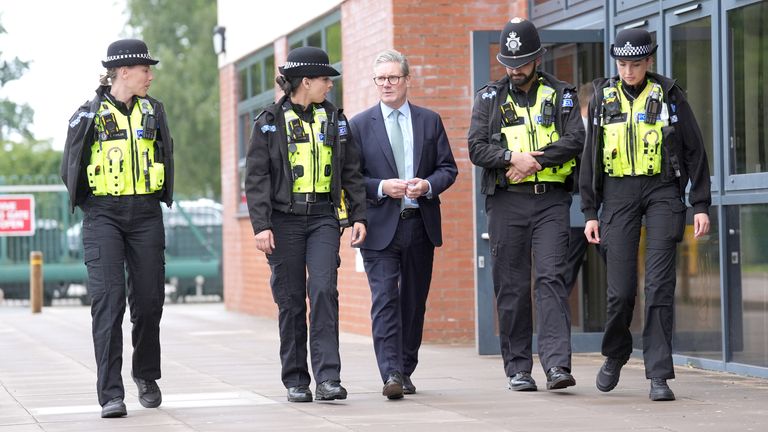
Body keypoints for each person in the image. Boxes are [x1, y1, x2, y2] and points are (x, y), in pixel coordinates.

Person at [579, 28, 711, 401]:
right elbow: (590, 158)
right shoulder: (603, 96)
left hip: (662, 191)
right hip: (618, 194)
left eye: (635, 64)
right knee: (620, 292)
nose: (628, 71)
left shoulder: (669, 94)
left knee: (658, 287)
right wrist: (590, 211)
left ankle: (658, 374)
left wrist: (700, 203)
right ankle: (615, 354)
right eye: (622, 64)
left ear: (649, 61)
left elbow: (694, 150)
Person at [245, 46, 367, 403]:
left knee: (325, 290)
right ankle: (297, 379)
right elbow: (256, 177)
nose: (330, 85)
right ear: (306, 81)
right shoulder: (269, 120)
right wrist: (260, 225)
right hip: (283, 222)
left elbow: (351, 172)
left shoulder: (336, 119)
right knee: (291, 300)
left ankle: (329, 377)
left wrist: (359, 215)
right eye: (325, 79)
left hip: (324, 219)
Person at [468, 18, 584, 392]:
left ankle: (556, 367)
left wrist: (534, 161)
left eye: (521, 62)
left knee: (551, 279)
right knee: (512, 285)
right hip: (507, 202)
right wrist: (509, 157)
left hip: (551, 201)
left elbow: (575, 139)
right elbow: (476, 147)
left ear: (538, 58)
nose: (514, 69)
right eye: (508, 63)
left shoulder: (562, 93)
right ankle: (518, 368)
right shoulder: (489, 97)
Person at [60, 39, 174, 418]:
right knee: (108, 303)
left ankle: (145, 374)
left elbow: (164, 154)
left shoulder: (154, 111)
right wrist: (92, 206)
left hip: (145, 214)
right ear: (123, 71)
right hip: (103, 215)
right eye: (146, 69)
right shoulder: (87, 114)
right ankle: (111, 393)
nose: (151, 76)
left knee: (149, 299)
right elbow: (70, 167)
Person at [349, 49, 458, 399]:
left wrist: (427, 185)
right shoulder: (360, 125)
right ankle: (391, 372)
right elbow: (350, 178)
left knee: (413, 301)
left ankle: (406, 368)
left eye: (393, 77)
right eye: (380, 78)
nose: (387, 84)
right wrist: (382, 187)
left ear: (407, 80)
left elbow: (448, 169)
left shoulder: (429, 121)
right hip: (379, 226)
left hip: (419, 222)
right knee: (384, 299)